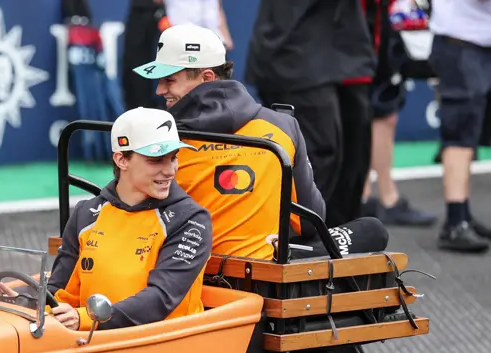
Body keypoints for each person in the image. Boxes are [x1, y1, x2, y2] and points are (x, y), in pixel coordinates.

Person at [133, 23, 389, 261]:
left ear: (207, 78)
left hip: (184, 269)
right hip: (266, 271)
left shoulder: (158, 137)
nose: (159, 90)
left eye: (169, 80)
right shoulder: (282, 125)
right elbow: (308, 223)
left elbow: (135, 221)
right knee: (371, 230)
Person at [43, 107, 212, 331]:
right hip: (92, 341)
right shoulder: (86, 213)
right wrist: (25, 302)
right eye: (156, 160)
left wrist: (85, 319)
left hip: (165, 343)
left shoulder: (191, 219)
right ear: (121, 159)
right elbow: (58, 289)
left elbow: (160, 299)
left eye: (173, 158)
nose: (170, 170)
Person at [244, 0, 377, 229]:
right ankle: (290, 237)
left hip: (343, 49)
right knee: (318, 155)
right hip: (294, 52)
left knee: (352, 159)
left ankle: (334, 238)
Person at [359, 4, 437, 227]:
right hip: (364, 26)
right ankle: (378, 197)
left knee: (379, 111)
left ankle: (371, 196)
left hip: (374, 24)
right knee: (371, 110)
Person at [427, 0, 491, 252]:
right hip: (461, 42)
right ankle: (455, 221)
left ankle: (462, 214)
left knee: (468, 134)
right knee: (460, 134)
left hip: (476, 41)